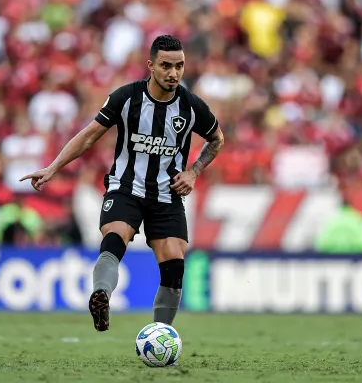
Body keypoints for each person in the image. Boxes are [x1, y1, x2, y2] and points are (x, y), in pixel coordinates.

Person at [19, 35, 225, 332]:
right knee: (114, 240)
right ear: (151, 65)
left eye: (179, 66)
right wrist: (54, 167)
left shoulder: (192, 106)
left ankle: (160, 334)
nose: (173, 73)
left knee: (175, 268)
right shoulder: (126, 98)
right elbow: (89, 135)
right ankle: (101, 295)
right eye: (166, 66)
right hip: (125, 187)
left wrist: (193, 171)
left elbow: (217, 139)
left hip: (167, 194)